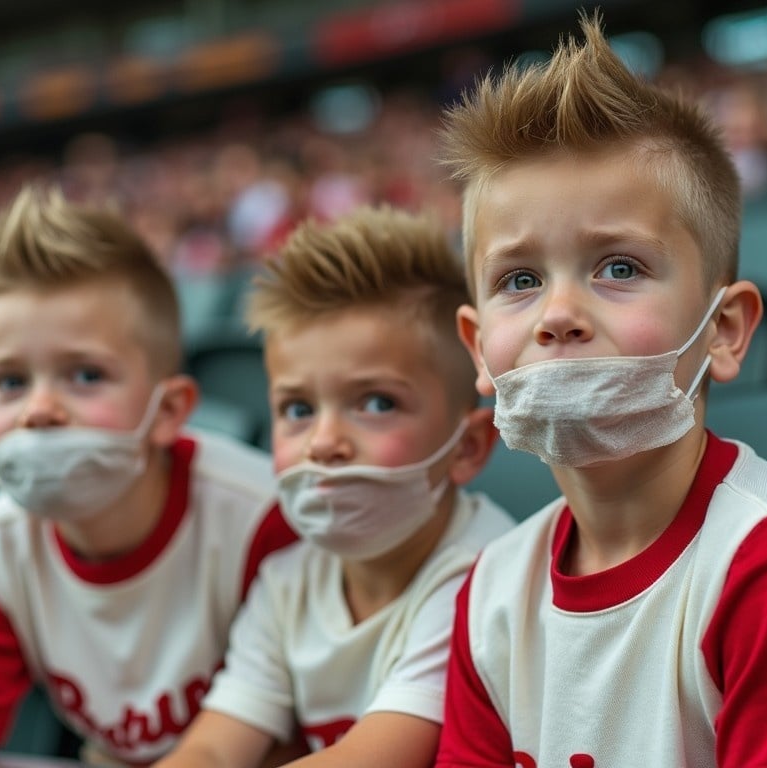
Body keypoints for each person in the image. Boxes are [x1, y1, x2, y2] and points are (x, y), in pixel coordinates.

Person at [435, 13, 767, 768]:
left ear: (724, 329)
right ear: (477, 353)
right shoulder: (488, 589)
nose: (559, 315)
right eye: (519, 280)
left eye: (618, 267)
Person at [0, 184, 297, 768]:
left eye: (84, 375)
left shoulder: (261, 516)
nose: (40, 409)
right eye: (10, 381)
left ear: (168, 411)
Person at [153, 205, 516, 768]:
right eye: (298, 408)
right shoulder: (286, 582)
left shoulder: (485, 575)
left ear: (466, 447)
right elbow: (214, 746)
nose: (323, 442)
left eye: (376, 404)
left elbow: (374, 758)